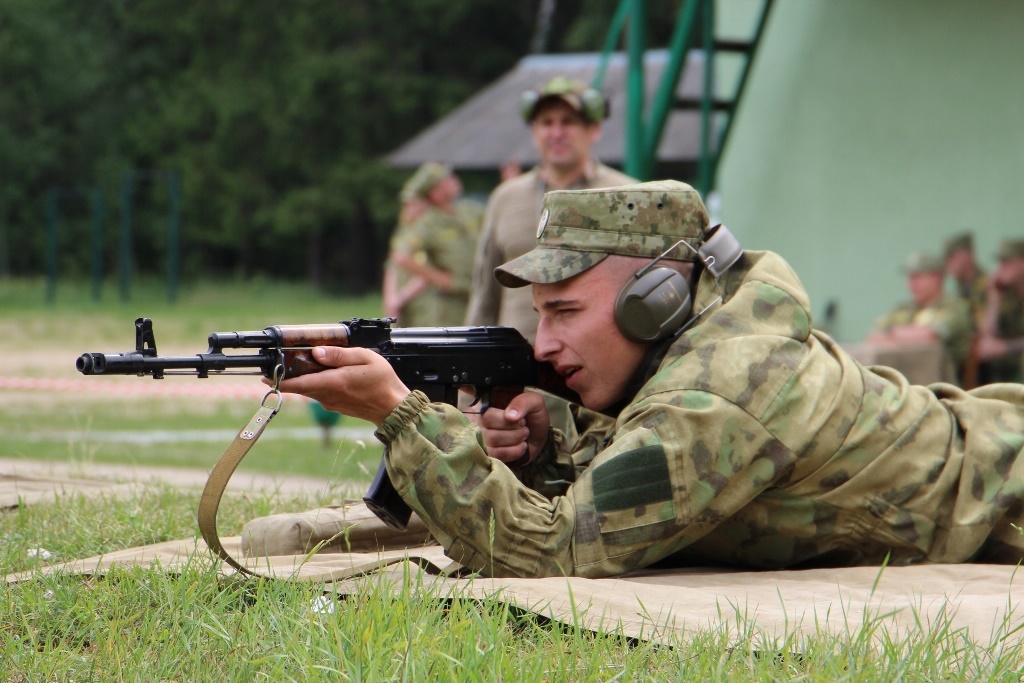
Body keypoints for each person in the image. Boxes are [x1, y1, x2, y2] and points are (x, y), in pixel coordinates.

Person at [245, 180, 1024, 579]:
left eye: (565, 310)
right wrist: (553, 447)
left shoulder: (726, 387)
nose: (544, 341)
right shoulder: (698, 347)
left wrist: (402, 416)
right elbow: (648, 453)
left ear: (657, 299)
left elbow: (553, 555)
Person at [463, 76, 634, 343]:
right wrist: (470, 366)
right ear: (534, 132)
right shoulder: (506, 197)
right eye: (546, 122)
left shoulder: (625, 195)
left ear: (594, 129)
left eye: (568, 122)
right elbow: (485, 293)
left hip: (596, 363)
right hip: (516, 369)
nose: (556, 133)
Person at [388, 162, 481, 326]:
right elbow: (401, 256)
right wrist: (442, 279)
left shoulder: (469, 211)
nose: (453, 180)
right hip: (450, 307)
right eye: (446, 180)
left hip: (477, 297)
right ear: (435, 193)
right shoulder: (427, 222)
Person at [867, 251, 974, 383]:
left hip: (942, 386)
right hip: (903, 383)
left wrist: (894, 333)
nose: (911, 284)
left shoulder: (954, 307)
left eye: (917, 278)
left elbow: (931, 335)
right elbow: (874, 337)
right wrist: (902, 334)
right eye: (909, 278)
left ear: (937, 278)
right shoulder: (903, 309)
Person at [381, 180, 430, 326]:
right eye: (407, 204)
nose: (409, 208)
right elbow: (392, 267)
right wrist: (390, 299)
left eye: (414, 204)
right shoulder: (403, 232)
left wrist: (400, 298)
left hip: (423, 304)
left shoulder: (429, 234)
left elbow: (427, 273)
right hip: (400, 302)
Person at [977, 238, 1024, 383]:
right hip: (1005, 368)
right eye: (1001, 263)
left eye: (1008, 262)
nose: (1002, 268)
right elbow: (986, 335)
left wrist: (1005, 348)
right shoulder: (1006, 294)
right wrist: (994, 299)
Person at [943, 231, 988, 325]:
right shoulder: (961, 288)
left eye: (952, 257)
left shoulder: (987, 286)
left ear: (967, 255)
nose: (947, 263)